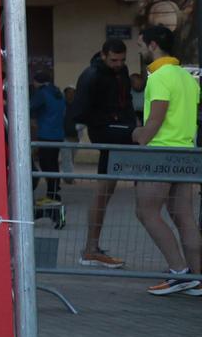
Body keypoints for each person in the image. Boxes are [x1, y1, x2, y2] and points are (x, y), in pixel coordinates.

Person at [131, 25, 202, 296]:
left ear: (152, 45)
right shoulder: (187, 78)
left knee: (146, 212)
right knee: (183, 216)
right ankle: (195, 277)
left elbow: (155, 122)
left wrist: (138, 134)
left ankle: (179, 273)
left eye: (141, 44)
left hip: (160, 153)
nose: (138, 49)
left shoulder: (160, 76)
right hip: (185, 151)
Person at [69, 38, 138, 267]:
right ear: (103, 55)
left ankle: (92, 248)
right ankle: (91, 248)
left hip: (119, 129)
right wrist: (106, 122)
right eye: (113, 60)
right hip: (105, 131)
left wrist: (128, 121)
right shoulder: (91, 75)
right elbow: (79, 111)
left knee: (106, 190)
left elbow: (126, 101)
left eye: (121, 60)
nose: (118, 64)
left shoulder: (122, 72)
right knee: (103, 191)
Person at [30, 69, 66, 209]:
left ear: (37, 82)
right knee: (53, 164)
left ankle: (51, 195)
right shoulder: (58, 93)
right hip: (58, 134)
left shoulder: (42, 93)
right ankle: (54, 191)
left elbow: (30, 106)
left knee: (46, 164)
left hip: (46, 134)